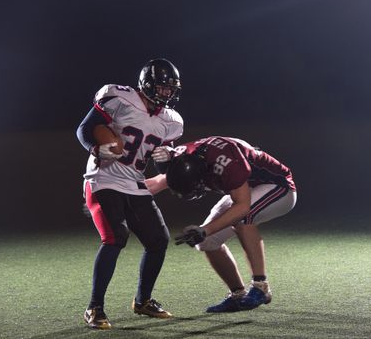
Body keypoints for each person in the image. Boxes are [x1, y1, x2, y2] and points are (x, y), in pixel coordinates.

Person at [76, 58, 184, 329]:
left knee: (159, 239)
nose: (167, 94)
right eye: (162, 88)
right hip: (102, 176)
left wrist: (166, 156)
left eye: (171, 89)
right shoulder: (120, 98)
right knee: (115, 237)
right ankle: (94, 307)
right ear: (147, 84)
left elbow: (161, 160)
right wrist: (94, 148)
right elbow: (85, 129)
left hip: (134, 181)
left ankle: (143, 300)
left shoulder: (170, 121)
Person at [145, 136, 297, 312]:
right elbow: (157, 183)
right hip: (242, 190)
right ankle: (237, 295)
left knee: (241, 219)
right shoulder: (183, 161)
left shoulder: (227, 162)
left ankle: (261, 286)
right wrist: (116, 192)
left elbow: (242, 207)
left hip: (277, 186)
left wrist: (204, 229)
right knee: (207, 242)